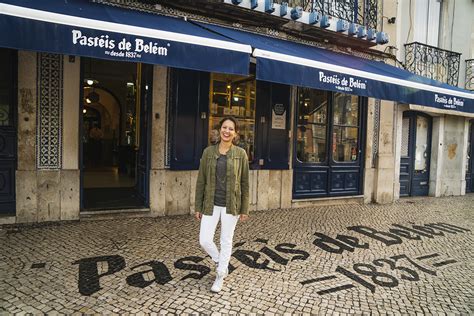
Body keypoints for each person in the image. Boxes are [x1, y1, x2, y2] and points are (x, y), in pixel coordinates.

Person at [194, 116, 249, 293]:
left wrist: (244, 208)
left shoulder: (241, 154)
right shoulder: (208, 152)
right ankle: (221, 262)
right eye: (224, 127)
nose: (227, 131)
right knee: (204, 240)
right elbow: (201, 180)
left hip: (231, 205)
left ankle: (220, 274)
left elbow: (245, 183)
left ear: (236, 133)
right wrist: (198, 206)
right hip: (211, 203)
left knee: (226, 240)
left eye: (231, 129)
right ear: (220, 130)